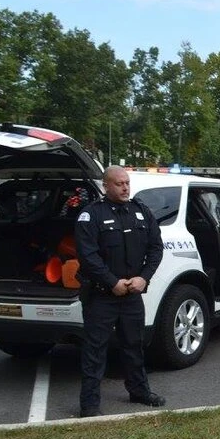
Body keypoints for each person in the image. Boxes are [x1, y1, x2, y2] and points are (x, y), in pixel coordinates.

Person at [74, 165, 165, 418]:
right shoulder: (91, 215)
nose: (125, 187)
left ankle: (139, 391)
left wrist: (144, 278)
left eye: (127, 183)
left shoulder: (141, 211)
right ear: (106, 186)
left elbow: (156, 249)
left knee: (134, 346)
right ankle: (90, 404)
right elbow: (87, 256)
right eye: (119, 183)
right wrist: (112, 281)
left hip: (132, 295)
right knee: (95, 351)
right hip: (102, 296)